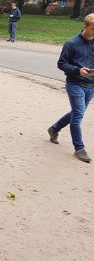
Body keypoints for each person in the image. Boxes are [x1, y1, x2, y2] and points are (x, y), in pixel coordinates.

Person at [47, 14, 94, 163]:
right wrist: (77, 70)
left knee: (75, 113)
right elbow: (61, 64)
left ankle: (54, 128)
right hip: (75, 84)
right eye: (93, 29)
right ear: (85, 26)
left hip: (91, 85)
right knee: (78, 115)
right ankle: (79, 148)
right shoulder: (71, 43)